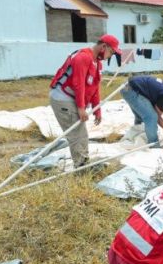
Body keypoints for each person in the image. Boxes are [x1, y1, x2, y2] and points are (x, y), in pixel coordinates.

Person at [49, 34, 121, 167]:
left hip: (73, 98)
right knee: (78, 134)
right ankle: (81, 167)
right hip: (63, 98)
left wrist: (97, 110)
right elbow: (78, 83)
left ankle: (82, 163)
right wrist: (81, 108)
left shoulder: (97, 63)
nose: (110, 56)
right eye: (111, 52)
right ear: (103, 47)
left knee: (81, 134)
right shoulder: (83, 57)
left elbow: (94, 88)